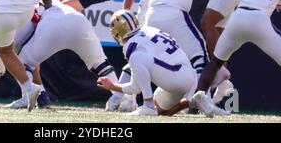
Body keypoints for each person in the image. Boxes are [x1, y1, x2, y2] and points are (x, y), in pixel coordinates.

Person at [97, 10, 227, 117]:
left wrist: (113, 86)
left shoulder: (131, 44)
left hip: (175, 78)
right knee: (163, 112)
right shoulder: (149, 30)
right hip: (187, 75)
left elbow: (135, 87)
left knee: (137, 57)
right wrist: (114, 86)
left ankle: (148, 105)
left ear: (117, 32)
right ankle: (194, 101)